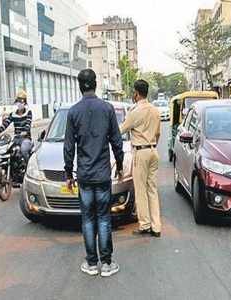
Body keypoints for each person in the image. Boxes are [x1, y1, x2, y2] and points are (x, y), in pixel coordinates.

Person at [64, 69, 124, 277]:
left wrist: (68, 174)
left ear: (80, 86)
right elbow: (117, 141)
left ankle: (91, 264)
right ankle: (106, 264)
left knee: (88, 219)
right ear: (95, 84)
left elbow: (69, 147)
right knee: (104, 218)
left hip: (84, 175)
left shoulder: (73, 112)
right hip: (103, 174)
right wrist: (121, 165)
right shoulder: (107, 109)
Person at [120, 80, 162, 238]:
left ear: (136, 94)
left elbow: (121, 130)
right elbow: (158, 134)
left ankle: (144, 225)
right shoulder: (155, 110)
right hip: (153, 150)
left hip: (141, 152)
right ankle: (156, 226)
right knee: (152, 189)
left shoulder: (135, 111)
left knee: (141, 190)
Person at [0, 90, 33, 162]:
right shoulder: (13, 114)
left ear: (24, 102)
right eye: (18, 101)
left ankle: (28, 167)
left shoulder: (28, 112)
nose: (20, 103)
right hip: (16, 139)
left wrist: (25, 131)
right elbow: (6, 123)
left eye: (21, 101)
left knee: (24, 149)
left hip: (26, 139)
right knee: (8, 150)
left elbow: (28, 124)